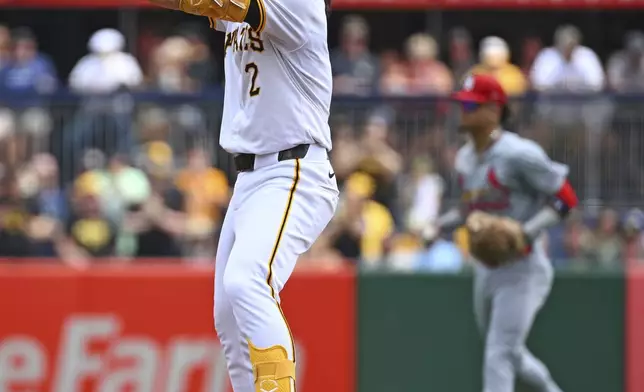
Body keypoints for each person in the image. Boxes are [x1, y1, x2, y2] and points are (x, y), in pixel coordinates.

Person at [148, 1, 339, 392]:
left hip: (294, 169)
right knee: (228, 316)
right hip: (251, 176)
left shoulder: (298, 4)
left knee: (247, 281)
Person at [427, 74, 577, 392]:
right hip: (486, 266)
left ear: (494, 109)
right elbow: (472, 208)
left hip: (523, 267)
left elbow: (566, 199)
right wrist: (440, 225)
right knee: (509, 352)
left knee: (499, 354)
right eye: (462, 103)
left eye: (471, 104)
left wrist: (525, 231)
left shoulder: (519, 153)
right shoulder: (467, 157)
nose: (463, 110)